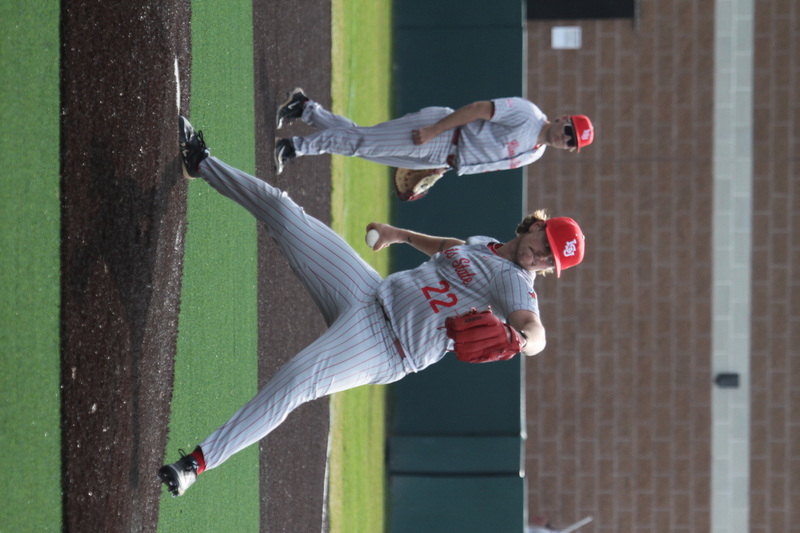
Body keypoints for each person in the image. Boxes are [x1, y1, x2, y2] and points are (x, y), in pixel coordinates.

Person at [158, 116, 587, 497]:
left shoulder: (517, 283)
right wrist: (398, 234)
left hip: (384, 345)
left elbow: (536, 332)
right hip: (367, 290)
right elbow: (449, 248)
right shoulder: (488, 247)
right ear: (537, 225)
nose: (543, 256)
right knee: (287, 214)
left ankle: (196, 462)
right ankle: (202, 162)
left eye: (552, 260)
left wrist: (520, 338)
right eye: (546, 244)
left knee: (296, 380)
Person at [272, 88, 594, 183]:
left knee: (361, 142)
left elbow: (486, 159)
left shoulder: (536, 152)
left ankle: (304, 108)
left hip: (444, 156)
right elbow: (479, 108)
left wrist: (442, 169)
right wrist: (433, 131)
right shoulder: (528, 114)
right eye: (570, 131)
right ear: (564, 118)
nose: (566, 139)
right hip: (443, 132)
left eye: (572, 143)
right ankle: (293, 147)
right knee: (361, 143)